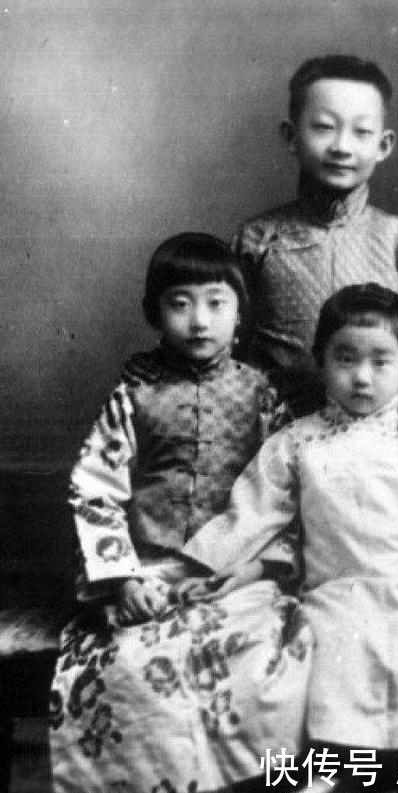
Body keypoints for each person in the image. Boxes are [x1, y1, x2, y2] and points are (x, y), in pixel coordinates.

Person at [185, 284, 398, 793]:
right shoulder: (297, 442)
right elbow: (254, 510)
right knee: (334, 654)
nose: (362, 377)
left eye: (380, 361)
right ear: (320, 361)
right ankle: (329, 770)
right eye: (345, 359)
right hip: (339, 589)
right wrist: (200, 566)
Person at [49, 233, 312, 793]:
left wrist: (255, 570)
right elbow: (95, 490)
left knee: (267, 655)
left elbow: (287, 495)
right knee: (128, 666)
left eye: (216, 303)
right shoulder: (134, 395)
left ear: (240, 314)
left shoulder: (261, 395)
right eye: (180, 303)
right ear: (154, 312)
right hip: (149, 573)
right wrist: (122, 580)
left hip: (235, 575)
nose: (199, 320)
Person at [232, 54, 398, 433]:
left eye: (361, 132)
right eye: (324, 128)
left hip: (379, 436)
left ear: (384, 145)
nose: (342, 146)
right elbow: (227, 343)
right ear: (291, 136)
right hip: (277, 433)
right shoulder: (257, 241)